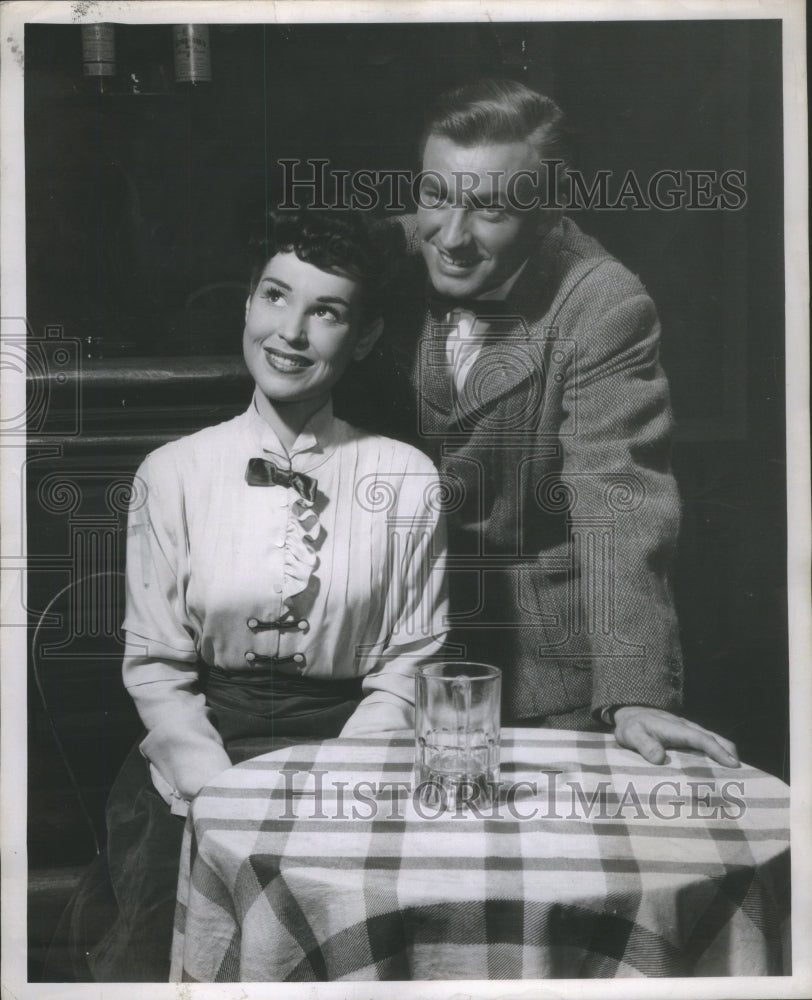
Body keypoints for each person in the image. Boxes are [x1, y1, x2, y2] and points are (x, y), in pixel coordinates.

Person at [51, 209, 447, 982]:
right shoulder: (173, 473)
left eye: (325, 311)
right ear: (248, 305)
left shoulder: (407, 479)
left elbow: (411, 660)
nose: (290, 332)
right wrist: (221, 795)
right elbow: (158, 666)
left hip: (352, 761)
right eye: (274, 296)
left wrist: (345, 783)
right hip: (199, 766)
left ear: (362, 338)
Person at [383, 78, 739, 768]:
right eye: (435, 196)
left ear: (547, 210)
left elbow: (618, 496)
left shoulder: (604, 302)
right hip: (394, 664)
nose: (450, 237)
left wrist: (637, 693)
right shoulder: (390, 263)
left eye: (489, 209)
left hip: (550, 681)